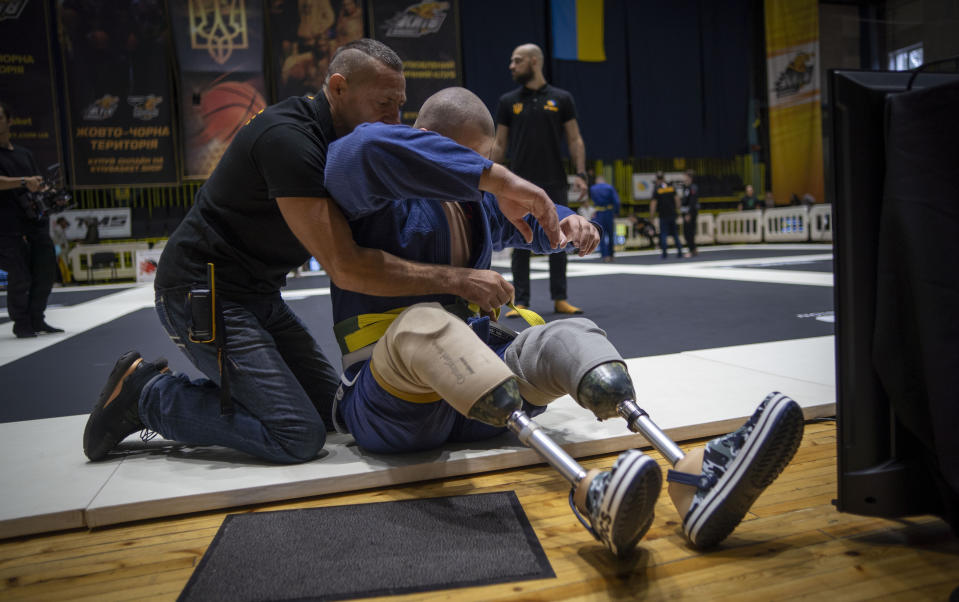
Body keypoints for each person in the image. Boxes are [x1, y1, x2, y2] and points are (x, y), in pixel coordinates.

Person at [322, 87, 806, 557]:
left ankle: (691, 473)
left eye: (485, 163)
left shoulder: (471, 202)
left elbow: (526, 218)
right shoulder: (370, 182)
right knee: (426, 323)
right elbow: (359, 148)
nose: (480, 177)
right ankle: (587, 489)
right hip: (388, 402)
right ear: (423, 139)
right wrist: (497, 181)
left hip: (475, 405)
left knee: (568, 335)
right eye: (471, 165)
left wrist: (568, 222)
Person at [81, 40, 561, 465]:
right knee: (295, 435)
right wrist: (458, 275)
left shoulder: (347, 141)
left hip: (259, 294)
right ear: (338, 87)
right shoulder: (289, 140)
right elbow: (347, 267)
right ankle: (148, 396)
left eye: (401, 105)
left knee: (336, 412)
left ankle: (241, 398)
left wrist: (542, 212)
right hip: (201, 292)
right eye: (384, 104)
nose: (396, 120)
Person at [493, 43, 588, 316]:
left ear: (534, 62)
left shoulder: (561, 98)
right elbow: (499, 144)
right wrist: (490, 179)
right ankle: (521, 300)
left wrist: (580, 174)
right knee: (519, 238)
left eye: (517, 60)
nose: (511, 66)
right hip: (518, 182)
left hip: (553, 179)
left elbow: (574, 138)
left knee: (561, 237)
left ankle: (560, 298)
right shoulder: (508, 101)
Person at [0, 101, 63, 338]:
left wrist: (48, 194)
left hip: (35, 222)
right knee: (20, 276)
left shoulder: (24, 154)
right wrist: (24, 181)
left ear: (9, 121)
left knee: (45, 272)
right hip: (7, 228)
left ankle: (37, 319)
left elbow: (36, 185)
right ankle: (22, 323)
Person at [649, 171, 683, 259]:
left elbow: (653, 203)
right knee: (675, 234)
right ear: (664, 178)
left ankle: (664, 253)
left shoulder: (657, 189)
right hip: (672, 214)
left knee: (663, 234)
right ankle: (680, 252)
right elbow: (677, 200)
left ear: (657, 179)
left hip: (663, 215)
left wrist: (651, 216)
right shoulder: (671, 187)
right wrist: (678, 210)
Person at [588, 175, 620, 262]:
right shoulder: (609, 187)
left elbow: (593, 200)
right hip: (609, 212)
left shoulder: (593, 188)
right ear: (604, 180)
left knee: (601, 234)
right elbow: (617, 201)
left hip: (599, 213)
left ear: (597, 181)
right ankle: (612, 255)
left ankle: (605, 256)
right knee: (610, 234)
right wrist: (616, 212)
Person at [680, 169, 700, 257]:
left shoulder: (693, 187)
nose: (684, 179)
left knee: (688, 232)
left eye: (685, 177)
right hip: (686, 212)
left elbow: (692, 201)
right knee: (687, 232)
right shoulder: (686, 187)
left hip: (690, 213)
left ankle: (692, 251)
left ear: (690, 178)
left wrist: (689, 214)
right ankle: (694, 249)